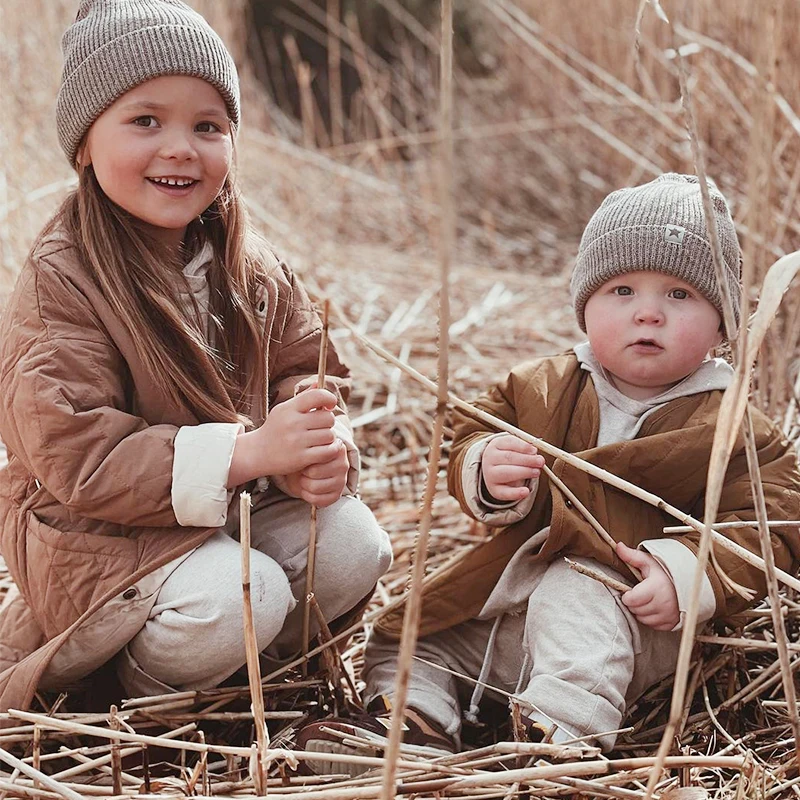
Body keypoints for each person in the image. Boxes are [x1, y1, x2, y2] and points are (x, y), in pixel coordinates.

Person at [297, 173, 800, 771]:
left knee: (574, 590)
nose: (648, 313)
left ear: (722, 325)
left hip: (630, 617)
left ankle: (557, 742)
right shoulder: (542, 387)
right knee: (413, 631)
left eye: (680, 295)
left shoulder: (733, 424)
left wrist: (688, 575)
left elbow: (775, 520)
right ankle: (414, 724)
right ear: (584, 306)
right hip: (513, 596)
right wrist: (485, 469)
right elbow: (470, 432)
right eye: (621, 291)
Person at [0, 0, 392, 710]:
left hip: (230, 511)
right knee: (243, 595)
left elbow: (304, 359)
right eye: (146, 121)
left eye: (207, 126)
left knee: (354, 546)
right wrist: (246, 455)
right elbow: (74, 453)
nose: (180, 147)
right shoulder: (63, 278)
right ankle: (135, 701)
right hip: (104, 539)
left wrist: (316, 431)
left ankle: (254, 685)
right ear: (85, 144)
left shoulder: (245, 259)